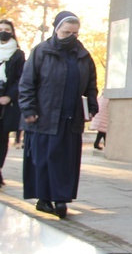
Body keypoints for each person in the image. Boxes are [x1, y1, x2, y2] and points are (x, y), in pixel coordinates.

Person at [19, 11, 98, 219]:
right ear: (56, 30)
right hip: (44, 118)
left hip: (71, 119)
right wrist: (29, 110)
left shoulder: (83, 56)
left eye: (75, 33)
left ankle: (62, 199)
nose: (70, 36)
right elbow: (27, 84)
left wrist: (91, 107)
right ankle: (44, 199)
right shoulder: (41, 52)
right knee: (45, 159)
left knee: (66, 161)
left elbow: (91, 86)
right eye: (66, 32)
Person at [0, 19, 26, 186]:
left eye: (6, 29)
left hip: (6, 103)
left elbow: (21, 78)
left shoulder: (18, 54)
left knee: (2, 138)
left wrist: (9, 95)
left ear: (12, 31)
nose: (3, 31)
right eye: (1, 28)